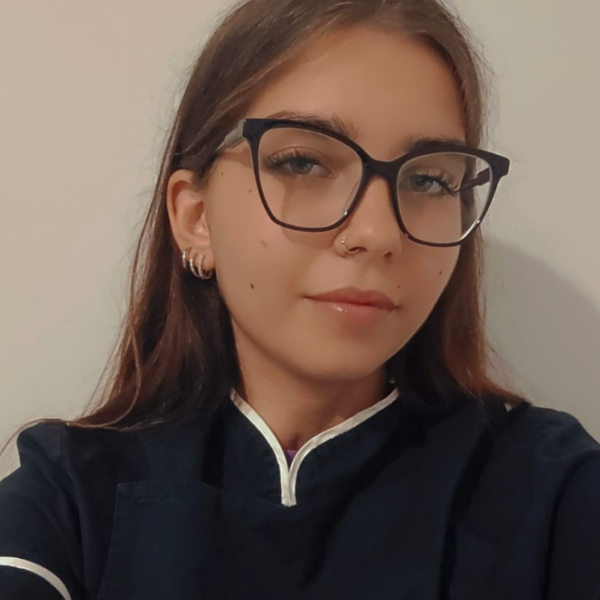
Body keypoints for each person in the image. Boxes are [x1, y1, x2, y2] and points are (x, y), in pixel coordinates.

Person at [1, 0, 599, 598]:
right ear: (196, 218)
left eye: (429, 180)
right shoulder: (69, 498)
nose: (377, 233)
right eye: (304, 162)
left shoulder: (555, 491)